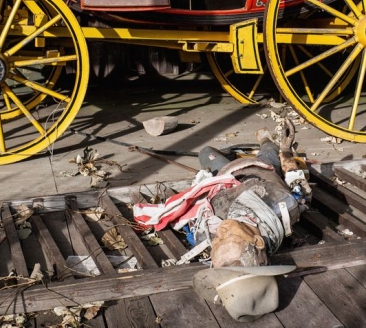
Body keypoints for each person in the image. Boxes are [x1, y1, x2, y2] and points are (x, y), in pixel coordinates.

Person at [132, 119, 311, 321]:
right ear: (258, 241)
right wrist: (286, 150)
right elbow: (297, 182)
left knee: (205, 152)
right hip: (263, 167)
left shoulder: (207, 231)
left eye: (216, 242)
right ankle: (265, 140)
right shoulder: (283, 207)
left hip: (226, 172)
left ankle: (247, 148)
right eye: (229, 237)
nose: (221, 232)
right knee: (270, 148)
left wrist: (204, 182)